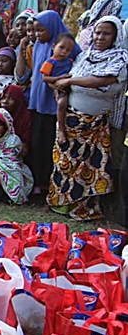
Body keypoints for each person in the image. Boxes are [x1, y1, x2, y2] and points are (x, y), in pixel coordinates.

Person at [48, 16, 128, 221]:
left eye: (106, 33)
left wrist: (71, 80)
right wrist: (62, 88)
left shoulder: (119, 60)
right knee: (65, 162)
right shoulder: (85, 56)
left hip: (95, 124)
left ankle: (83, 208)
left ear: (116, 36)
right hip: (71, 119)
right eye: (97, 32)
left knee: (88, 168)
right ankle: (61, 204)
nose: (100, 37)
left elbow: (101, 80)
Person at [28, 10, 79, 195]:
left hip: (55, 106)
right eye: (36, 31)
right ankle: (37, 184)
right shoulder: (39, 46)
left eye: (42, 30)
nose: (38, 34)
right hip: (38, 103)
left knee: (51, 144)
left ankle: (50, 186)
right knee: (38, 143)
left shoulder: (67, 47)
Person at [40, 33, 76, 129]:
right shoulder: (49, 62)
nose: (63, 52)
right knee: (61, 104)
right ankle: (61, 127)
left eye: (68, 50)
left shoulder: (70, 62)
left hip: (72, 88)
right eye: (61, 47)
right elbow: (44, 78)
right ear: (53, 46)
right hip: (60, 89)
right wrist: (59, 78)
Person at [0, 84, 31, 158]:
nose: (5, 101)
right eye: (4, 97)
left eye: (10, 98)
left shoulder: (25, 117)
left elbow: (25, 143)